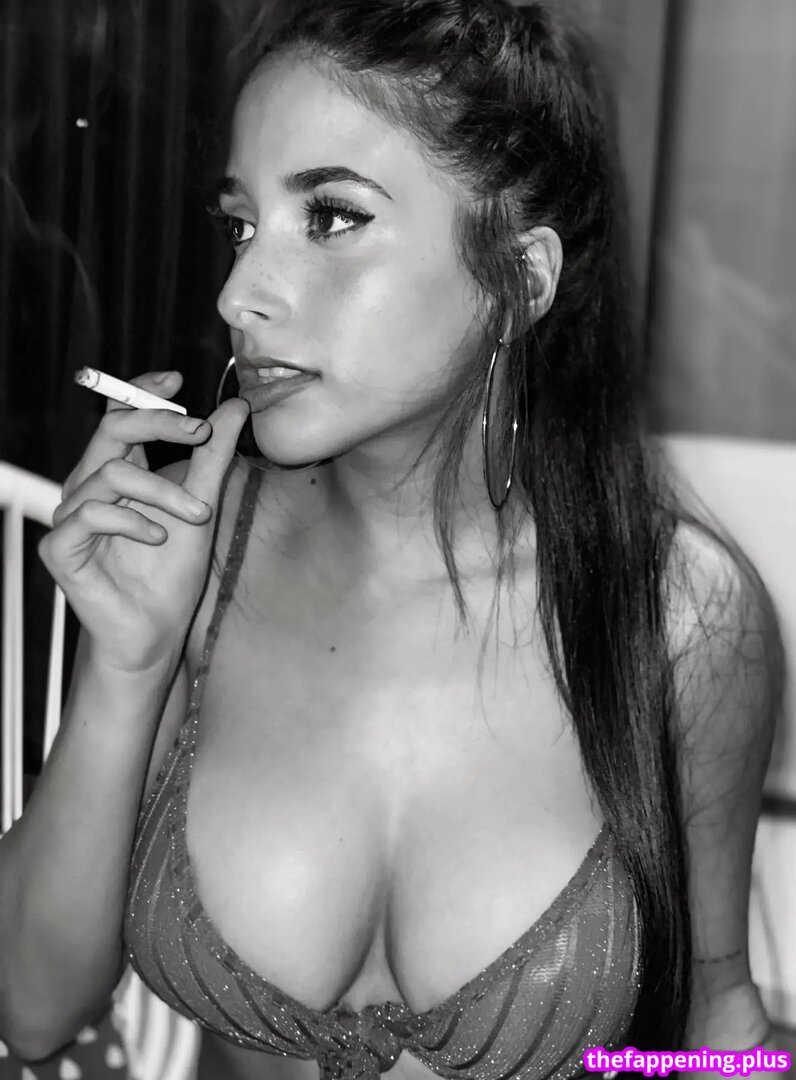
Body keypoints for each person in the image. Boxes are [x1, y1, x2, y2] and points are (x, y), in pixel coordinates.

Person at [0, 1, 784, 1078]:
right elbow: (33, 1011)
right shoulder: (193, 550)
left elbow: (715, 1022)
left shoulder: (680, 615)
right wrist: (126, 668)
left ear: (520, 277)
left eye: (330, 217)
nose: (238, 294)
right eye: (241, 225)